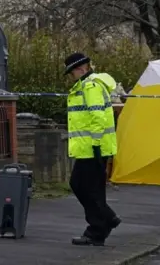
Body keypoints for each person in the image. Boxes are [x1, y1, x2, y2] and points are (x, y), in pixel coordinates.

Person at [64, 52, 121, 246]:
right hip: (92, 148)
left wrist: (96, 145)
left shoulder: (90, 86)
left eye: (71, 73)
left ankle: (105, 220)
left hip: (93, 148)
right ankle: (99, 229)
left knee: (80, 185)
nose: (71, 77)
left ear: (80, 69)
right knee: (92, 189)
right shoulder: (89, 85)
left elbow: (98, 118)